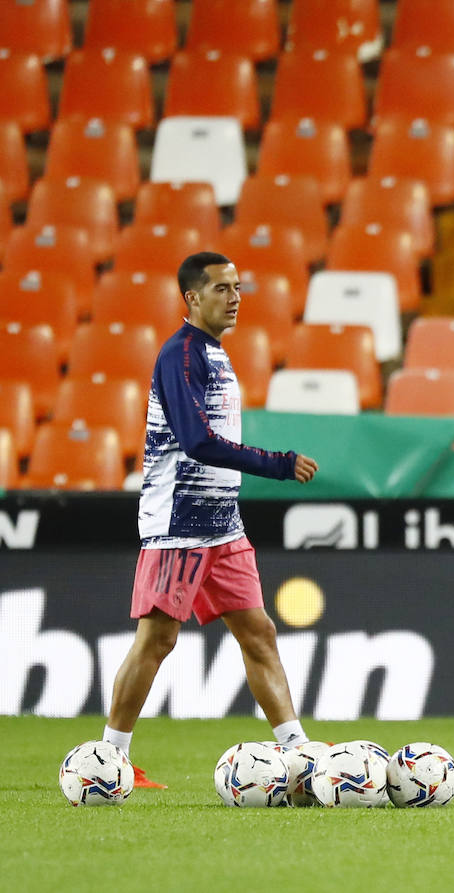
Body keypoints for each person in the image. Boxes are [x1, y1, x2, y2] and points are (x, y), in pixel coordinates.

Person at [98, 252, 320, 789]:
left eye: (238, 287)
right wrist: (277, 464)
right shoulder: (180, 355)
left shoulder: (214, 353)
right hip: (179, 520)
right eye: (222, 288)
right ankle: (109, 759)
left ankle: (298, 754)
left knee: (259, 631)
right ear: (192, 298)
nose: (235, 297)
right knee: (157, 638)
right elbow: (196, 442)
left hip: (223, 523)